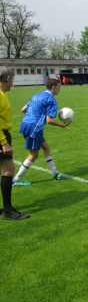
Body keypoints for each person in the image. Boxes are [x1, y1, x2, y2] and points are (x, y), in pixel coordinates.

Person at [12, 79, 71, 186]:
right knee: (33, 155)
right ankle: (16, 180)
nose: (59, 89)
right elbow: (49, 120)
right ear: (53, 87)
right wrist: (62, 125)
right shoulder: (51, 100)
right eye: (59, 87)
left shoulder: (37, 95)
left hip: (25, 124)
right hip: (34, 128)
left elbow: (23, 109)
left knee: (46, 147)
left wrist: (33, 116)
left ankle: (55, 174)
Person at [0, 66, 30, 219]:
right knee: (8, 170)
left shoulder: (4, 94)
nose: (13, 83)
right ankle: (7, 211)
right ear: (8, 79)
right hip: (1, 135)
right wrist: (4, 142)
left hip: (3, 133)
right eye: (13, 79)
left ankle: (5, 208)